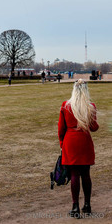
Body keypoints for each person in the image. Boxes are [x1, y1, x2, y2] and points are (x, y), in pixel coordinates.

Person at [58, 79, 99, 219]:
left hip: (70, 142)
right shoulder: (90, 106)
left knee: (74, 174)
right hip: (84, 141)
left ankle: (75, 206)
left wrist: (62, 143)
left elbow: (61, 128)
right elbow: (94, 127)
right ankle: (87, 204)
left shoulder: (66, 106)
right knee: (86, 174)